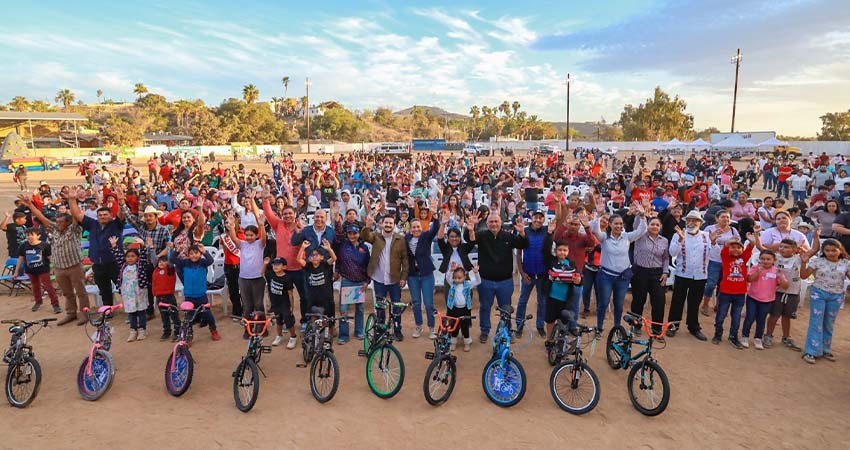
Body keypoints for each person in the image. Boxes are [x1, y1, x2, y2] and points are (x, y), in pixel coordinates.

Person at [19, 195, 88, 325]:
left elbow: (76, 216)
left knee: (81, 292)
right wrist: (30, 205)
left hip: (74, 266)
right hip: (59, 268)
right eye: (57, 222)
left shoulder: (74, 230)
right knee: (67, 293)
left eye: (61, 222)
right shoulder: (55, 229)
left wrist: (72, 199)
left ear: (68, 223)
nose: (58, 224)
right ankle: (71, 313)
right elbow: (41, 217)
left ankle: (84, 313)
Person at [467, 213, 528, 343]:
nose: (494, 224)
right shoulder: (482, 235)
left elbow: (523, 244)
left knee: (505, 309)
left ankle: (506, 331)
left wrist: (522, 233)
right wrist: (471, 229)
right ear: (487, 223)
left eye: (496, 221)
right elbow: (470, 240)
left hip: (505, 281)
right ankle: (485, 331)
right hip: (485, 281)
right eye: (491, 222)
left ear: (501, 223)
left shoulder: (508, 236)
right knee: (485, 307)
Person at [589, 202, 648, 336]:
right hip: (606, 276)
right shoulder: (604, 237)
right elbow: (595, 230)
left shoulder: (627, 237)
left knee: (619, 304)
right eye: (616, 223)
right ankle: (599, 327)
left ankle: (617, 327)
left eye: (621, 224)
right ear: (610, 224)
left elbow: (642, 230)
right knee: (603, 303)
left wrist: (642, 215)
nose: (619, 226)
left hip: (622, 277)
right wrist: (598, 215)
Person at [69, 186, 124, 306]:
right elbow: (77, 214)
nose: (103, 216)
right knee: (104, 290)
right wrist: (72, 199)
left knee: (124, 288)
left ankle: (134, 311)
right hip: (98, 264)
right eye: (100, 215)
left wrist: (121, 201)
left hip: (115, 263)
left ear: (111, 215)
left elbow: (122, 214)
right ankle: (108, 310)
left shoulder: (116, 224)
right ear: (97, 217)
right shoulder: (93, 224)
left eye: (105, 214)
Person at [799, 239, 850, 364]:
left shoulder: (846, 263)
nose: (830, 253)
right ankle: (811, 351)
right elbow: (804, 276)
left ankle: (825, 349)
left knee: (829, 323)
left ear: (840, 250)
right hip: (818, 293)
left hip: (836, 296)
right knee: (816, 321)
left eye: (834, 250)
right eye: (827, 250)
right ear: (823, 251)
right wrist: (804, 263)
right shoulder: (818, 261)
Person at [361, 214, 409, 340]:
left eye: (390, 223)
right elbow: (365, 236)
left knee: (396, 306)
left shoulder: (400, 239)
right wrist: (367, 226)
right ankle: (380, 331)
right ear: (382, 224)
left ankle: (397, 330)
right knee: (380, 307)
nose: (388, 225)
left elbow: (405, 259)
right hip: (379, 280)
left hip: (395, 279)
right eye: (386, 223)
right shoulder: (376, 236)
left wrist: (404, 277)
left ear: (394, 225)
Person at [668, 210, 712, 341]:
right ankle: (673, 325)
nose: (691, 223)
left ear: (700, 223)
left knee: (695, 302)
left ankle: (693, 327)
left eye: (695, 220)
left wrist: (714, 243)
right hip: (682, 273)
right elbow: (672, 252)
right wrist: (680, 240)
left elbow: (714, 254)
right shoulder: (678, 234)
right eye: (689, 220)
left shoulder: (707, 236)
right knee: (677, 300)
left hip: (700, 275)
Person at [170, 245, 220, 341]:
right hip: (189, 296)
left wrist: (204, 252)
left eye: (196, 253)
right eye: (191, 253)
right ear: (188, 255)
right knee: (188, 318)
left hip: (201, 295)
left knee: (208, 314)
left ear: (200, 254)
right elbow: (172, 259)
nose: (194, 255)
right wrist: (177, 251)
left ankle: (213, 330)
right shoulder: (184, 263)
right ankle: (189, 335)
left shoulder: (203, 263)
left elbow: (211, 261)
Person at [741, 250, 789, 350]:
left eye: (768, 259)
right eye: (762, 259)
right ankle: (745, 336)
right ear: (759, 259)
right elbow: (749, 279)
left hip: (767, 300)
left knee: (761, 319)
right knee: (750, 317)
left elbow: (785, 286)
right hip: (753, 298)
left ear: (774, 260)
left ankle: (758, 338)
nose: (765, 261)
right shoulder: (755, 267)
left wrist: (781, 278)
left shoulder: (776, 271)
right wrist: (758, 271)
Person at [630, 217, 670, 336]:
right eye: (652, 224)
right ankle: (636, 326)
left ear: (661, 227)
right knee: (638, 300)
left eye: (657, 225)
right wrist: (641, 215)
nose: (655, 227)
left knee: (659, 301)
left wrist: (665, 272)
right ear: (647, 225)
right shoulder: (640, 236)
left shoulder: (664, 241)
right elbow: (636, 225)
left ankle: (657, 330)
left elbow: (666, 258)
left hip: (657, 273)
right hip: (640, 272)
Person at [712, 236, 754, 349]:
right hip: (725, 293)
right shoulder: (726, 257)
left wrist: (751, 239)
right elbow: (725, 248)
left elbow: (750, 247)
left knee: (736, 317)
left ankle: (733, 337)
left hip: (740, 294)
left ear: (742, 250)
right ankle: (718, 334)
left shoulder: (743, 258)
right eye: (733, 247)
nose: (736, 249)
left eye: (738, 248)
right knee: (721, 315)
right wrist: (729, 242)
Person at [227, 216, 267, 330]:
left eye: (251, 235)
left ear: (256, 235)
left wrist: (261, 225)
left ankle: (261, 327)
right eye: (247, 235)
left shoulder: (260, 244)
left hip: (258, 278)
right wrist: (231, 226)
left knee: (258, 304)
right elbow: (233, 238)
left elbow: (264, 238)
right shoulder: (242, 244)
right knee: (247, 305)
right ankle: (248, 328)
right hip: (244, 278)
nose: (249, 237)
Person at [699, 210, 739, 317]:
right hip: (713, 259)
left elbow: (738, 243)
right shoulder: (710, 229)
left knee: (723, 284)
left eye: (727, 217)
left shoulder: (733, 230)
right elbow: (704, 242)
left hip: (728, 260)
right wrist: (725, 243)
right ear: (717, 218)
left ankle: (718, 305)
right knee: (711, 284)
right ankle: (705, 304)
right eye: (723, 217)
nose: (726, 219)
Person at [516, 211, 550, 337]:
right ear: (531, 218)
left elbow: (560, 220)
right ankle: (519, 325)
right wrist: (522, 272)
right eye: (536, 217)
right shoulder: (524, 231)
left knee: (542, 302)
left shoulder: (547, 231)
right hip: (528, 274)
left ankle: (540, 326)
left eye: (541, 218)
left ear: (543, 220)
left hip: (542, 274)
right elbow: (519, 254)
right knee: (522, 301)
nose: (538, 220)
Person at [405, 216, 439, 339]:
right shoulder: (406, 239)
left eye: (418, 227)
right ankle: (418, 326)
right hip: (412, 275)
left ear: (421, 227)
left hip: (426, 274)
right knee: (416, 302)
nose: (416, 229)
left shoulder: (426, 236)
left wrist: (436, 218)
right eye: (414, 227)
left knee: (429, 303)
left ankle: (431, 327)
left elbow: (434, 230)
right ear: (410, 229)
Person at [336, 223, 370, 343]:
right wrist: (336, 271)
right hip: (347, 280)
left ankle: (359, 331)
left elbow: (368, 265)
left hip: (360, 281)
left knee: (360, 309)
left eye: (354, 233)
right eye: (350, 233)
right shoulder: (342, 245)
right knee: (344, 309)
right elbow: (338, 261)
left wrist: (367, 281)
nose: (352, 235)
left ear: (358, 234)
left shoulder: (364, 247)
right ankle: (344, 335)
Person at [296, 240, 338, 336]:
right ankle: (313, 333)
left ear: (322, 257)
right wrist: (303, 247)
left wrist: (329, 249)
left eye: (316, 255)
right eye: (312, 255)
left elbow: (334, 258)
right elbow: (299, 259)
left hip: (325, 296)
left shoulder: (325, 265)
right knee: (313, 316)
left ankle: (330, 329)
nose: (314, 257)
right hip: (312, 297)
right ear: (309, 258)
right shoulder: (308, 266)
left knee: (327, 315)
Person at [542, 239, 581, 342]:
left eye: (565, 250)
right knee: (550, 321)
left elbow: (579, 278)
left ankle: (561, 342)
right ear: (555, 251)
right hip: (552, 298)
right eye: (559, 250)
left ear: (568, 251)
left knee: (564, 322)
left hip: (566, 300)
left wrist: (579, 280)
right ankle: (549, 340)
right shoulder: (551, 261)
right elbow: (545, 250)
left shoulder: (571, 264)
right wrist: (549, 234)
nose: (562, 252)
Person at [15, 227, 60, 313]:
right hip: (31, 270)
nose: (29, 237)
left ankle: (55, 304)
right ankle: (38, 302)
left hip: (43, 269)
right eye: (28, 235)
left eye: (32, 235)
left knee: (48, 287)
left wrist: (54, 268)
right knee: (35, 287)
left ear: (38, 236)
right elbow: (21, 258)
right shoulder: (23, 246)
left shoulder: (45, 245)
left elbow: (50, 258)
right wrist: (16, 271)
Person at [113, 242, 149, 342]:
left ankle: (142, 330)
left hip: (140, 293)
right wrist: (114, 246)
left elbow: (144, 255)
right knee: (131, 313)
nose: (130, 258)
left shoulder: (140, 265)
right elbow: (118, 256)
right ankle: (133, 330)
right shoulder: (123, 266)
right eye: (128, 256)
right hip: (128, 295)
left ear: (137, 257)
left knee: (141, 311)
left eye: (133, 256)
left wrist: (143, 245)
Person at [444, 264, 480, 352]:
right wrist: (450, 270)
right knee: (454, 326)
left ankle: (467, 342)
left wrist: (476, 273)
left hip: (465, 309)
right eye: (455, 278)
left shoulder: (468, 284)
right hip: (454, 309)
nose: (457, 280)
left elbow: (478, 281)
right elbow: (447, 278)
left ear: (465, 277)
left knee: (465, 326)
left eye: (459, 278)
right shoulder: (452, 284)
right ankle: (453, 342)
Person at [266, 257, 298, 349]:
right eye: (274, 264)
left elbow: (290, 294)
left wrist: (291, 306)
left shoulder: (287, 278)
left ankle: (293, 336)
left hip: (284, 304)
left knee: (288, 321)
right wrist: (265, 264)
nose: (275, 266)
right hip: (275, 303)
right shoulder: (271, 274)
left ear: (284, 267)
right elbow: (262, 273)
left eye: (278, 264)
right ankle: (279, 335)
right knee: (278, 320)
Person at [151, 254, 179, 341]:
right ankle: (167, 332)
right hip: (159, 298)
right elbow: (154, 258)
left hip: (169, 297)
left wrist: (171, 250)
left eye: (164, 261)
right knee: (164, 316)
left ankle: (178, 332)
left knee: (174, 316)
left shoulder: (170, 270)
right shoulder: (156, 270)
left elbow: (171, 261)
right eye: (160, 261)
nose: (161, 263)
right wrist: (151, 249)